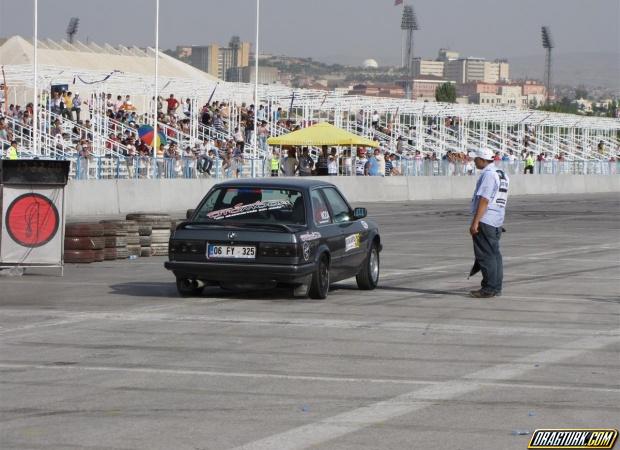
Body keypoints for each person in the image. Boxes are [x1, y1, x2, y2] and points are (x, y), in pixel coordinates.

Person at [468, 148, 509, 298]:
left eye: (476, 158)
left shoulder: (488, 175)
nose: (474, 161)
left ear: (482, 159)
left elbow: (484, 200)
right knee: (495, 255)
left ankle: (489, 288)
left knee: (486, 255)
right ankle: (495, 286)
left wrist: (475, 222)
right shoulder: (501, 174)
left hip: (486, 219)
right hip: (496, 219)